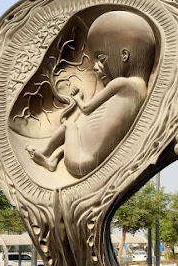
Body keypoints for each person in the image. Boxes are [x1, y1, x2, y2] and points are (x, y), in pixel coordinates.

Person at [26, 11, 156, 177]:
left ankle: (45, 152)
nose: (95, 67)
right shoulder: (141, 89)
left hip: (82, 162)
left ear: (124, 55)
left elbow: (87, 109)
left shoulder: (122, 83)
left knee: (69, 125)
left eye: (101, 58)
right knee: (75, 134)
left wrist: (78, 99)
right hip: (92, 161)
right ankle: (53, 161)